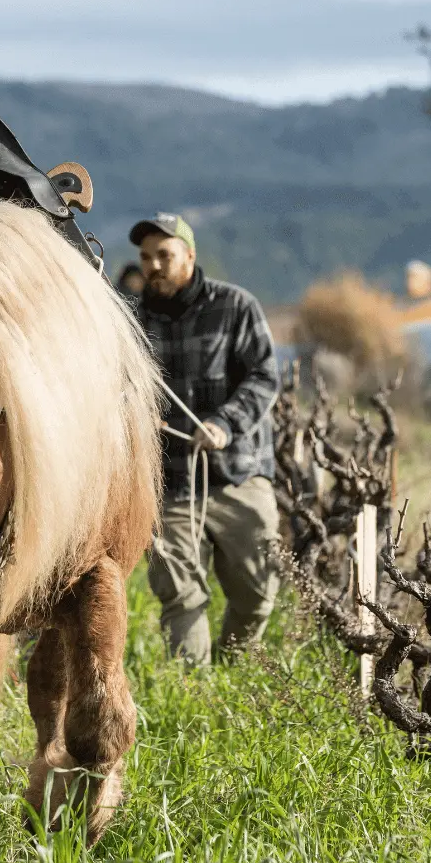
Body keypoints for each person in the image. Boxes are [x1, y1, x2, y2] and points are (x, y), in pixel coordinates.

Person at [125, 212, 280, 666]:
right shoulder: (130, 320)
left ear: (189, 256)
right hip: (170, 485)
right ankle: (196, 696)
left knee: (257, 596)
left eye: (165, 255)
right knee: (181, 597)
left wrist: (225, 424)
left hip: (239, 476)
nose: (154, 265)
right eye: (146, 257)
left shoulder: (236, 307)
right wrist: (134, 416)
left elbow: (264, 376)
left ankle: (233, 671)